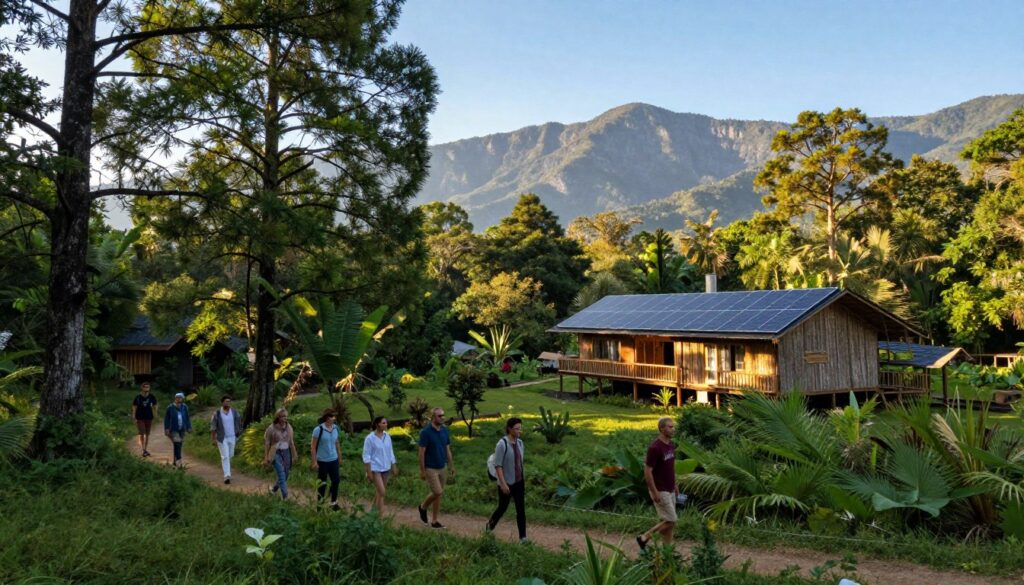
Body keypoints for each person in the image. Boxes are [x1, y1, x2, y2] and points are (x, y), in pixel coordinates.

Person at [637, 417, 678, 549]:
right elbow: (648, 471)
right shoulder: (655, 448)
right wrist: (654, 491)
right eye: (670, 427)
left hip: (670, 487)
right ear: (662, 429)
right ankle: (644, 537)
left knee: (667, 522)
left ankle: (667, 551)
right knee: (671, 520)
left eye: (673, 426)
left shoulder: (670, 445)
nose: (673, 429)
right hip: (660, 489)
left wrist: (675, 484)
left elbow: (671, 467)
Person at [486, 417, 528, 543]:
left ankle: (523, 538)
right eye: (516, 429)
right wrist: (503, 484)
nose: (519, 431)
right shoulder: (502, 444)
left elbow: (520, 462)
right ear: (509, 429)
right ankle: (489, 527)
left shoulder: (520, 443)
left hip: (519, 482)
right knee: (502, 508)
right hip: (506, 483)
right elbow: (498, 465)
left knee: (521, 509)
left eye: (520, 428)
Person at [417, 407, 455, 529]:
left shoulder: (444, 431)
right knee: (438, 492)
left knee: (438, 495)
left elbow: (447, 449)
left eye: (443, 415)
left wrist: (451, 466)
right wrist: (422, 470)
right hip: (430, 467)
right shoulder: (426, 432)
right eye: (439, 416)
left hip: (442, 466)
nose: (442, 418)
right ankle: (423, 507)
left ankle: (434, 521)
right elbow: (421, 452)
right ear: (433, 417)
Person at [362, 416, 398, 515]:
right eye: (383, 423)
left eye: (386, 423)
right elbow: (366, 456)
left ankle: (372, 513)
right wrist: (369, 472)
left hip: (386, 467)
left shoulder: (387, 436)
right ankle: (381, 514)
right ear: (377, 424)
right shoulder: (370, 438)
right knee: (382, 492)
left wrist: (394, 465)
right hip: (375, 468)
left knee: (379, 492)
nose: (385, 425)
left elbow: (390, 451)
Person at [310, 408, 342, 510]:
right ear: (327, 418)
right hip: (322, 461)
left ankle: (333, 503)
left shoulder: (335, 428)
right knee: (322, 484)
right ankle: (320, 505)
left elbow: (337, 443)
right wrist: (314, 461)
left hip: (334, 459)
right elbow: (313, 447)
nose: (334, 418)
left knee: (336, 480)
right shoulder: (318, 430)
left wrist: (340, 457)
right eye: (333, 416)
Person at [263, 408, 297, 500]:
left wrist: (294, 454)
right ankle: (285, 496)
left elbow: (291, 442)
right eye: (282, 416)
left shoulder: (289, 427)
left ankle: (274, 490)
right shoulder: (271, 428)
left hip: (286, 452)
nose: (284, 418)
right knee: (281, 474)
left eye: (285, 416)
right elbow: (267, 443)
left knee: (285, 474)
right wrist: (266, 457)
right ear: (278, 417)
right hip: (275, 452)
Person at [210, 395, 241, 484]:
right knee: (225, 456)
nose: (228, 403)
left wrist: (238, 432)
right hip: (221, 437)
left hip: (232, 437)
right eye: (226, 401)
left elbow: (238, 421)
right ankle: (227, 476)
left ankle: (226, 469)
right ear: (222, 402)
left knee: (230, 455)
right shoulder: (217, 413)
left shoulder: (234, 412)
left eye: (229, 401)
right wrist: (213, 439)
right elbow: (213, 426)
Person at [163, 392, 192, 466]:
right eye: (177, 397)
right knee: (177, 443)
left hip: (182, 428)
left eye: (180, 397)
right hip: (173, 429)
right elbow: (166, 419)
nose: (179, 399)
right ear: (175, 398)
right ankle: (179, 461)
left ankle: (175, 461)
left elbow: (187, 418)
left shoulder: (184, 407)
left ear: (182, 399)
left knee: (178, 445)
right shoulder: (170, 407)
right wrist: (166, 428)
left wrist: (189, 427)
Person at [131, 382, 158, 457]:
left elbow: (155, 405)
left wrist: (155, 414)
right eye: (145, 387)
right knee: (142, 433)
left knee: (147, 434)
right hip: (140, 417)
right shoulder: (138, 397)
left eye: (148, 387)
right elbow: (134, 406)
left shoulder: (151, 396)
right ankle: (143, 449)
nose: (147, 388)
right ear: (142, 388)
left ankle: (145, 449)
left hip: (149, 417)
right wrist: (133, 415)